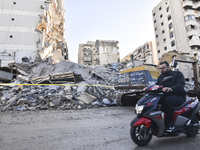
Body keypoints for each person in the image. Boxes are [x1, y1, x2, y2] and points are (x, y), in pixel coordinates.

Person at [156, 61, 186, 132]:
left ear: (168, 67)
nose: (161, 70)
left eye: (163, 68)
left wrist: (171, 88)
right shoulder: (161, 77)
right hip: (166, 96)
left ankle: (169, 124)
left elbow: (180, 85)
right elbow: (157, 85)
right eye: (160, 68)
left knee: (168, 101)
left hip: (178, 96)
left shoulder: (177, 74)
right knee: (155, 101)